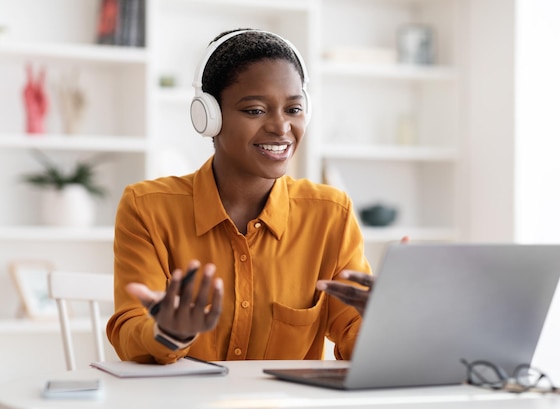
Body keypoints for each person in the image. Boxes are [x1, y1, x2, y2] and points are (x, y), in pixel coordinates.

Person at [106, 29, 377, 364]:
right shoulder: (147, 208)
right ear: (208, 116)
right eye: (255, 111)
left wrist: (386, 324)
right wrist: (168, 332)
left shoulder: (330, 214)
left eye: (293, 109)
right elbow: (130, 331)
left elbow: (354, 341)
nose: (281, 127)